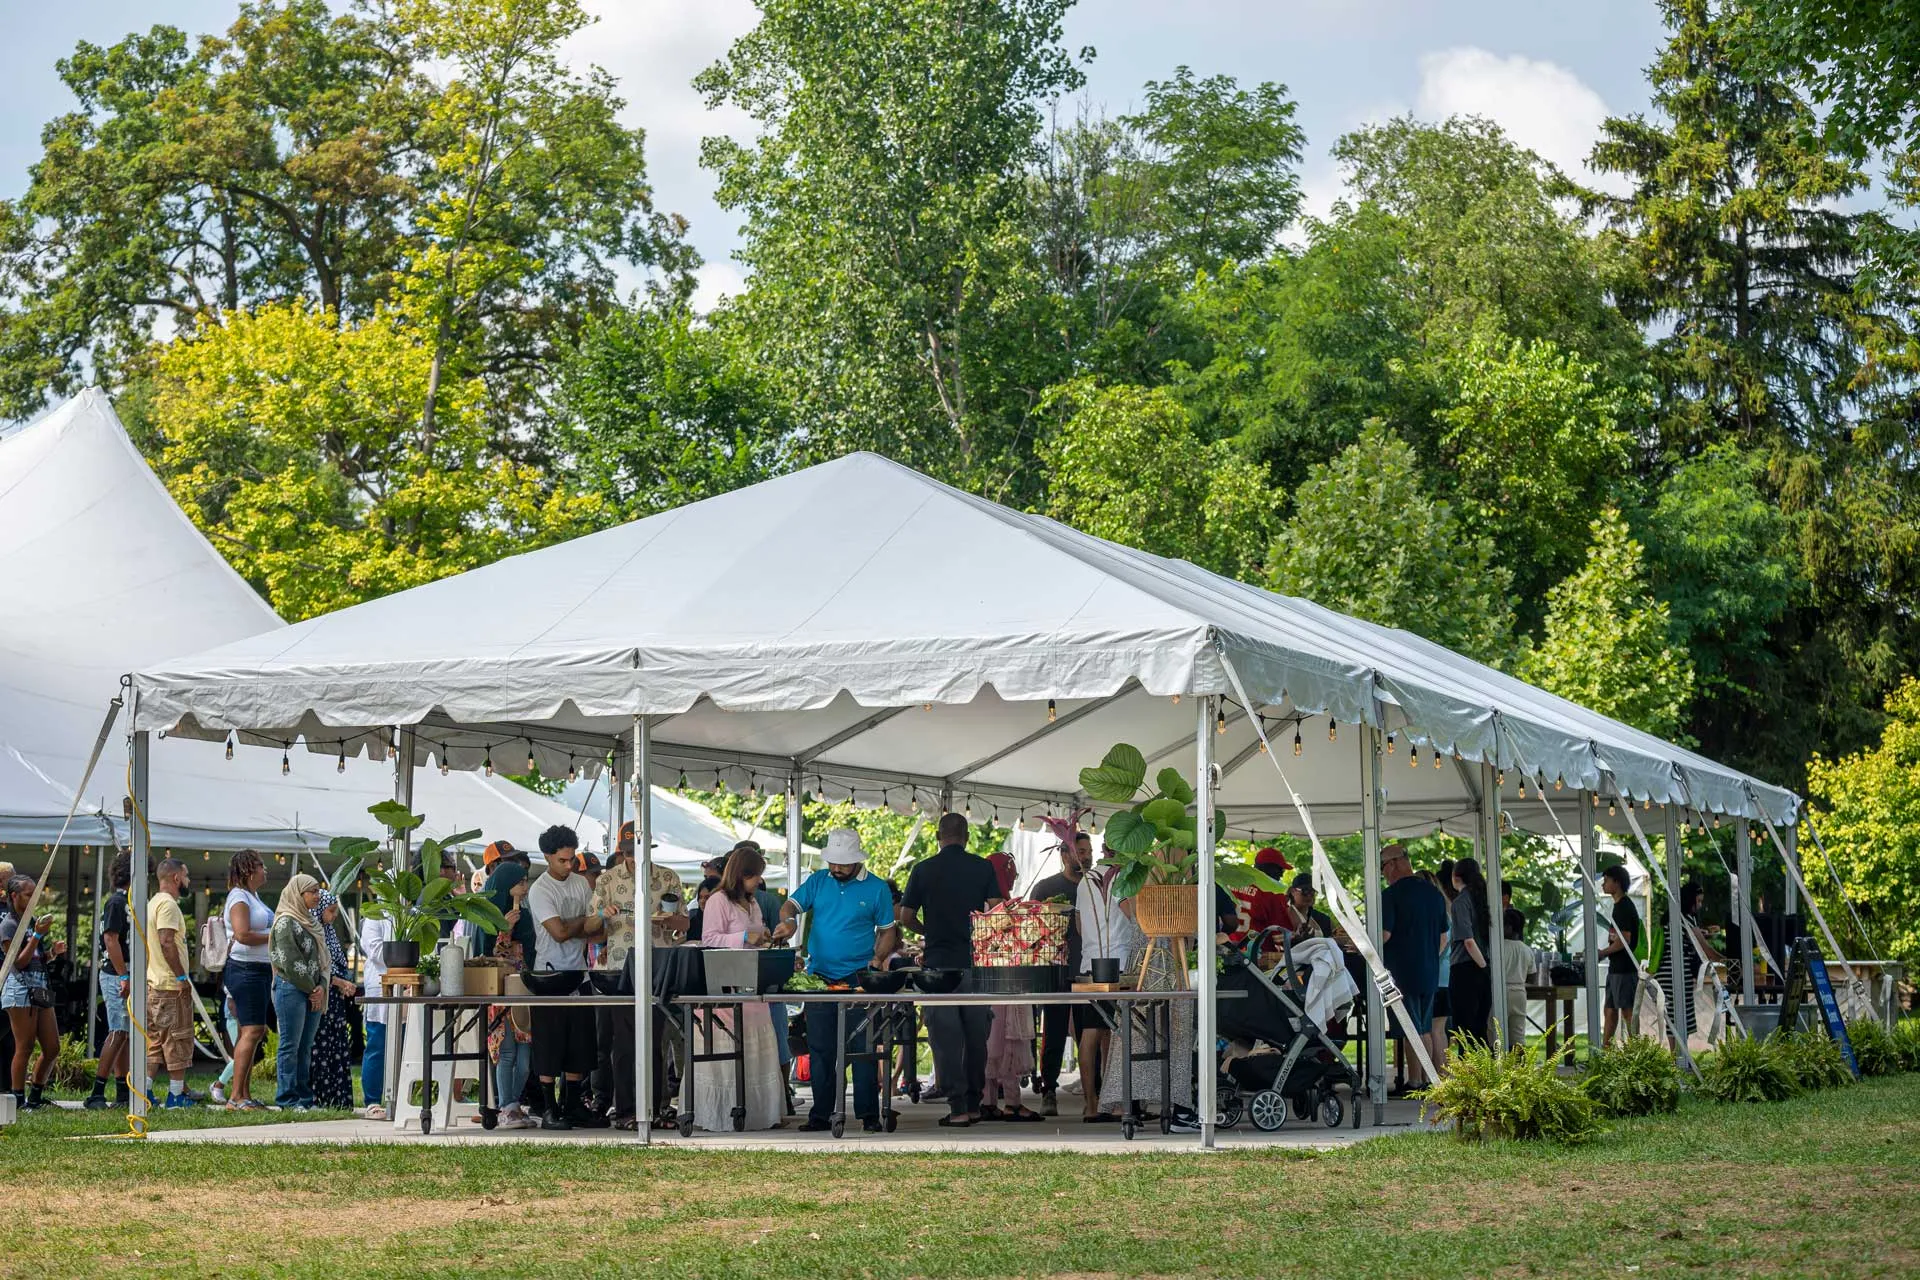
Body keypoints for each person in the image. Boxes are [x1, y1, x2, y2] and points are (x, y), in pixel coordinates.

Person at [771, 828, 896, 1134]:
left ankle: (868, 1114)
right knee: (821, 1047)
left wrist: (878, 958)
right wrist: (788, 921)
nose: (836, 868)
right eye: (833, 863)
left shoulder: (877, 888)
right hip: (819, 977)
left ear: (857, 860)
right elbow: (790, 905)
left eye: (843, 863)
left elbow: (888, 931)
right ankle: (820, 1114)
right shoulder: (817, 881)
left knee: (863, 1047)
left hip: (858, 978)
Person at [899, 813, 1004, 1128]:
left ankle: (957, 1106)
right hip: (974, 963)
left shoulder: (923, 870)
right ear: (967, 836)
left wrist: (927, 931)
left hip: (938, 965)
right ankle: (973, 1103)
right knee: (976, 1036)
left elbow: (905, 916)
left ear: (937, 837)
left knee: (945, 1040)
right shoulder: (983, 867)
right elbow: (998, 910)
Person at [694, 846, 785, 1131]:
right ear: (740, 875)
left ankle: (759, 1112)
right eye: (754, 876)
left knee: (756, 1047)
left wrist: (765, 937)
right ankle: (722, 1112)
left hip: (752, 986)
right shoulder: (718, 901)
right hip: (726, 987)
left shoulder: (753, 902)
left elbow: (755, 934)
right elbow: (709, 939)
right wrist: (744, 936)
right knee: (727, 1049)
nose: (758, 882)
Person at [526, 824, 606, 1129]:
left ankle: (573, 1105)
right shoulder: (540, 890)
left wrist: (584, 925)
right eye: (562, 860)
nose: (569, 865)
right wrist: (583, 924)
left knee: (580, 1043)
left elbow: (594, 929)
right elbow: (558, 933)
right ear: (547, 857)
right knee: (549, 1042)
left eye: (572, 859)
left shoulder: (581, 885)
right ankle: (549, 1108)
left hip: (580, 972)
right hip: (549, 973)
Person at [1075, 841, 1145, 1122]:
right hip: (1119, 964)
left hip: (1089, 962)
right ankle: (1117, 1102)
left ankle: (1092, 1105)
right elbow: (1134, 916)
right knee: (1119, 1033)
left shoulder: (1085, 880)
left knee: (1092, 1032)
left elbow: (1079, 925)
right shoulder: (1121, 876)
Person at [1027, 829, 1089, 1115]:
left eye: (1088, 851)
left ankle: (1095, 1091)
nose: (1086, 856)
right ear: (1064, 855)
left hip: (1089, 971)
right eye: (1080, 851)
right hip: (1055, 970)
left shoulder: (1096, 886)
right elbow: (1029, 931)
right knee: (1053, 1031)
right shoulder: (1045, 888)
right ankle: (1048, 1089)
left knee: (1091, 1032)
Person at [1378, 843, 1449, 1092]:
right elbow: (1444, 937)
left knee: (1411, 1029)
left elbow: (1383, 935)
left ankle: (1417, 1081)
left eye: (1382, 867)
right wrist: (1428, 956)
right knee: (1424, 1027)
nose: (1383, 873)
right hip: (1429, 972)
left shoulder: (1390, 896)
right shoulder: (1434, 894)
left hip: (1401, 973)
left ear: (1394, 863)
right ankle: (1427, 1081)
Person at [588, 822, 645, 1129]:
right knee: (616, 1043)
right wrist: (601, 917)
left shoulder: (665, 878)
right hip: (614, 972)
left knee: (653, 1042)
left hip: (654, 970)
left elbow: (681, 926)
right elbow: (590, 930)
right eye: (628, 852)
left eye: (638, 851)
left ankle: (655, 1105)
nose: (633, 858)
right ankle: (620, 1107)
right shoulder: (607, 881)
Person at [3, 873, 66, 1110]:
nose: (33, 899)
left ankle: (35, 1097)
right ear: (14, 896)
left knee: (52, 1047)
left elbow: (35, 959)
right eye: (29, 895)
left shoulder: (31, 921)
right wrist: (38, 935)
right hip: (19, 990)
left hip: (40, 988)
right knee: (25, 1045)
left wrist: (52, 953)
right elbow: (17, 962)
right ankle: (18, 1100)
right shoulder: (9, 925)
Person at [220, 850, 274, 1110]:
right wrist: (274, 935)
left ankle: (244, 1093)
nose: (266, 870)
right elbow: (242, 934)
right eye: (262, 866)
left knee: (250, 1032)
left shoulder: (254, 897)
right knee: (252, 1031)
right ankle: (236, 1096)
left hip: (259, 969)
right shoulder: (239, 898)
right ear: (249, 870)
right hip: (245, 969)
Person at [269, 872, 328, 1110]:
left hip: (312, 989)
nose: (317, 895)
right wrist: (314, 989)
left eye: (318, 890)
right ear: (298, 894)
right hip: (290, 988)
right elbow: (290, 962)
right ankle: (287, 1099)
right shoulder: (285, 922)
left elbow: (324, 960)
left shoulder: (311, 922)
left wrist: (321, 987)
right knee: (290, 1046)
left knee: (305, 1047)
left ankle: (304, 1098)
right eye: (312, 891)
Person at [143, 858, 197, 1108]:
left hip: (154, 983)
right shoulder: (168, 906)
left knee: (155, 1042)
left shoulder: (152, 903)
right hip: (169, 985)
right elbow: (166, 942)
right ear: (176, 878)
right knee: (177, 1040)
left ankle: (145, 1092)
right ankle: (176, 1096)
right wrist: (181, 977)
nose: (188, 881)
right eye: (186, 876)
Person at [85, 852, 134, 1109]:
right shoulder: (116, 902)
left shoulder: (127, 901)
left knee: (123, 1033)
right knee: (117, 1031)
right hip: (116, 974)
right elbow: (110, 939)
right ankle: (96, 1092)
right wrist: (124, 974)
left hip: (122, 973)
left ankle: (122, 1093)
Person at [309, 888, 359, 1109]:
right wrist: (340, 983)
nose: (334, 915)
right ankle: (321, 1096)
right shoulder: (314, 933)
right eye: (330, 911)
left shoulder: (328, 932)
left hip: (335, 1001)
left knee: (336, 1047)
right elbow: (317, 969)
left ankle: (337, 1099)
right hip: (322, 998)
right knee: (321, 1049)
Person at [1447, 857, 1493, 1049]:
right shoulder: (1484, 900)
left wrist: (1482, 966)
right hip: (1484, 967)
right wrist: (1486, 967)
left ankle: (1469, 1074)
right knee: (1480, 1026)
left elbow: (1468, 941)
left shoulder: (1460, 903)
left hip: (1466, 968)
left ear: (1456, 877)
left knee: (1465, 1029)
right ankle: (1484, 1073)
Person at [1598, 865, 1640, 1047]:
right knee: (1609, 1010)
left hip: (1624, 969)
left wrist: (1603, 952)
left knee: (1627, 1012)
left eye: (1606, 880)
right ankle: (1605, 1049)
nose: (1603, 884)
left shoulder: (1624, 907)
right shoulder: (1618, 906)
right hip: (1615, 968)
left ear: (1617, 882)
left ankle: (1637, 1049)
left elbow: (1625, 940)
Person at [1501, 907, 1538, 1051]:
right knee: (1518, 1034)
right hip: (1519, 993)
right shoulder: (1526, 949)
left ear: (1509, 928)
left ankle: (1497, 1067)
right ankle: (1520, 1069)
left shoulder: (1499, 947)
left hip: (1501, 991)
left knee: (1495, 1031)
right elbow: (1532, 977)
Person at [1282, 873, 1334, 939]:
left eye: (1312, 892)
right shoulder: (1288, 913)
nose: (1309, 896)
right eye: (1305, 891)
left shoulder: (1322, 918)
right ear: (1293, 891)